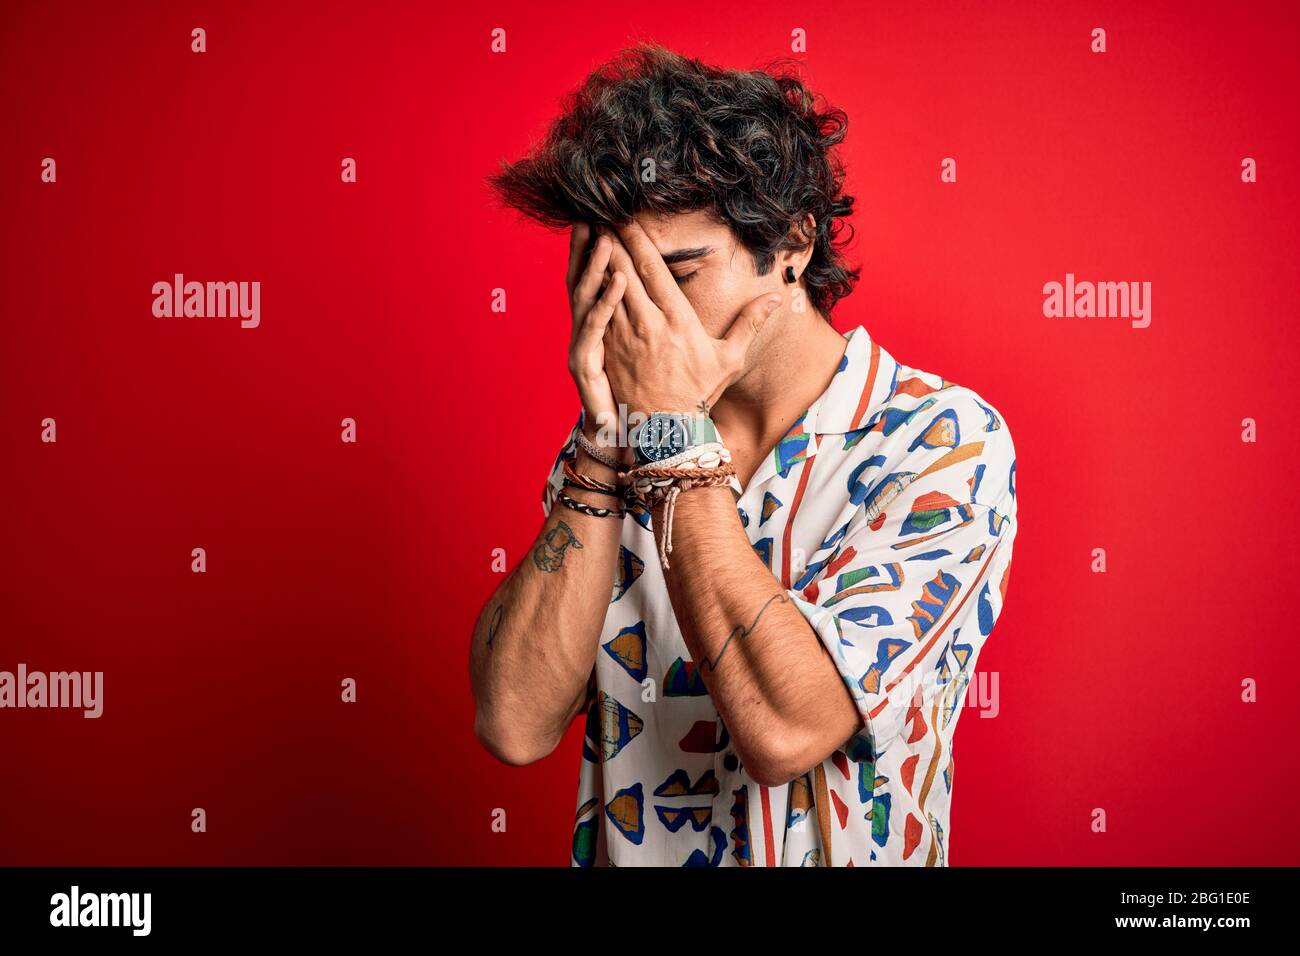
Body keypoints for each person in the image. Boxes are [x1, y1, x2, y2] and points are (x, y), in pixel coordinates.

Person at [469, 42, 1018, 866]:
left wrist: (674, 437)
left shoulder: (941, 444)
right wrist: (607, 444)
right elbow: (513, 723)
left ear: (793, 243)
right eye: (609, 279)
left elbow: (786, 729)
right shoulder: (615, 441)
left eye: (679, 273)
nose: (638, 317)